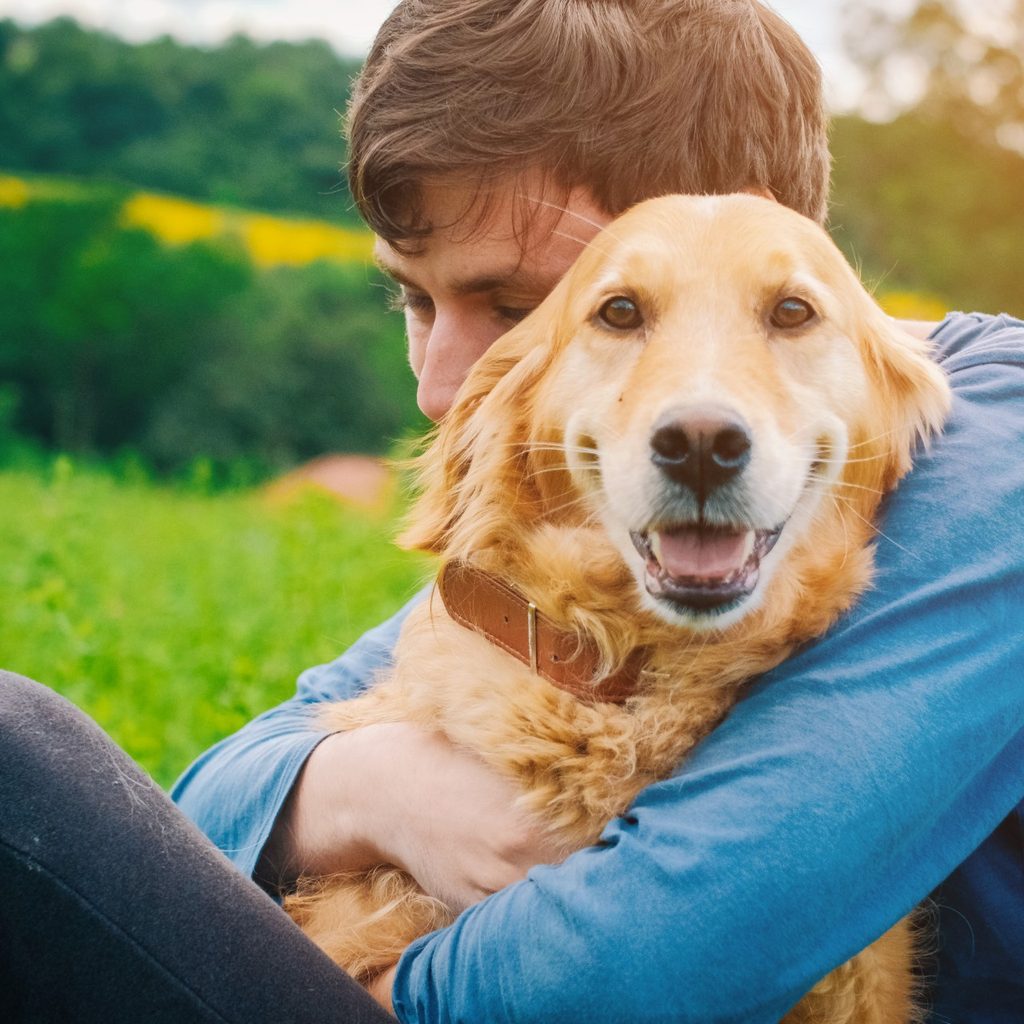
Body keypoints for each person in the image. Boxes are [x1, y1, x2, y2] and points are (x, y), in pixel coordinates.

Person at [1, 2, 1021, 1023]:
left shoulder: (987, 438)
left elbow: (654, 950)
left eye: (520, 308)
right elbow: (216, 795)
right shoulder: (601, 540)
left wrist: (376, 987)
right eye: (414, 302)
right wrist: (375, 786)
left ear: (723, 219)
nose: (442, 393)